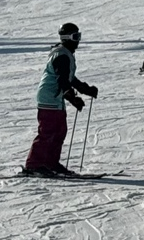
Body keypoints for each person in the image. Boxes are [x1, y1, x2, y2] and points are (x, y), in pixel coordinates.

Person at [23, 22, 98, 177]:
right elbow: (62, 80)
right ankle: (34, 164)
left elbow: (70, 78)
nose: (78, 40)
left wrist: (85, 89)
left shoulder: (65, 54)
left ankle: (50, 163)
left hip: (56, 98)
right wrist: (72, 98)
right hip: (49, 97)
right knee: (48, 131)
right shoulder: (62, 56)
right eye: (75, 37)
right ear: (67, 38)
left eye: (79, 36)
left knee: (60, 131)